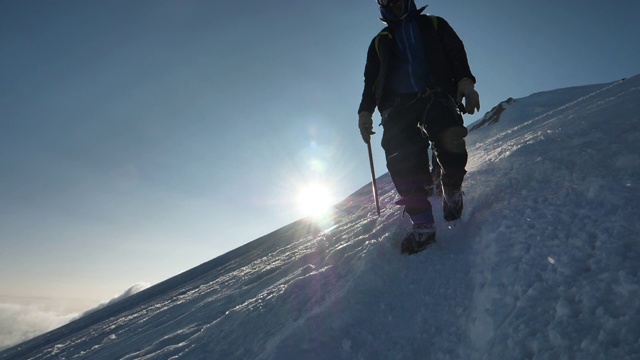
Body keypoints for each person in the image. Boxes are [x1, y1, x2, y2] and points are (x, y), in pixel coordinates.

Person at [357, 0, 480, 254]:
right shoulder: (380, 42)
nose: (393, 2)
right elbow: (371, 80)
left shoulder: (433, 24)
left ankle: (452, 189)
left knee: (451, 140)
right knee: (401, 157)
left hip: (436, 92)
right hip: (397, 105)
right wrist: (365, 111)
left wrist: (465, 82)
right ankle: (422, 223)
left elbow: (455, 53)